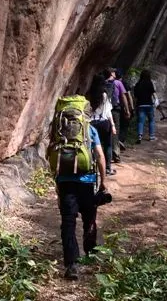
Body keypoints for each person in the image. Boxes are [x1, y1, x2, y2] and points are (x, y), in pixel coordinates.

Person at [55, 120, 107, 280]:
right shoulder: (89, 129)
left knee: (68, 222)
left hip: (65, 181)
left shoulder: (59, 129)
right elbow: (99, 155)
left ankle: (72, 264)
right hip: (86, 182)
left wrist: (57, 182)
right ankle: (91, 254)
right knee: (89, 218)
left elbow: (52, 155)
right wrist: (103, 181)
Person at [87, 74, 117, 175]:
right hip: (104, 123)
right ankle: (107, 168)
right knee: (108, 145)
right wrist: (112, 125)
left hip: (91, 123)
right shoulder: (104, 95)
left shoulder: (88, 94)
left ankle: (93, 167)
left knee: (93, 145)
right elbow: (108, 112)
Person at [106, 68, 130, 162]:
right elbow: (123, 96)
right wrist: (127, 109)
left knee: (106, 132)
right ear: (111, 73)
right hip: (115, 109)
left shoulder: (103, 83)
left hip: (104, 111)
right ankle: (115, 154)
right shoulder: (118, 83)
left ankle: (107, 154)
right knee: (115, 131)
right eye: (113, 72)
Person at [133, 70, 157, 142]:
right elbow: (153, 93)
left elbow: (135, 96)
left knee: (140, 121)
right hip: (149, 104)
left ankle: (140, 135)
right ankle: (151, 136)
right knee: (151, 120)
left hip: (140, 105)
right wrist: (156, 100)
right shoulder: (150, 83)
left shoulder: (138, 84)